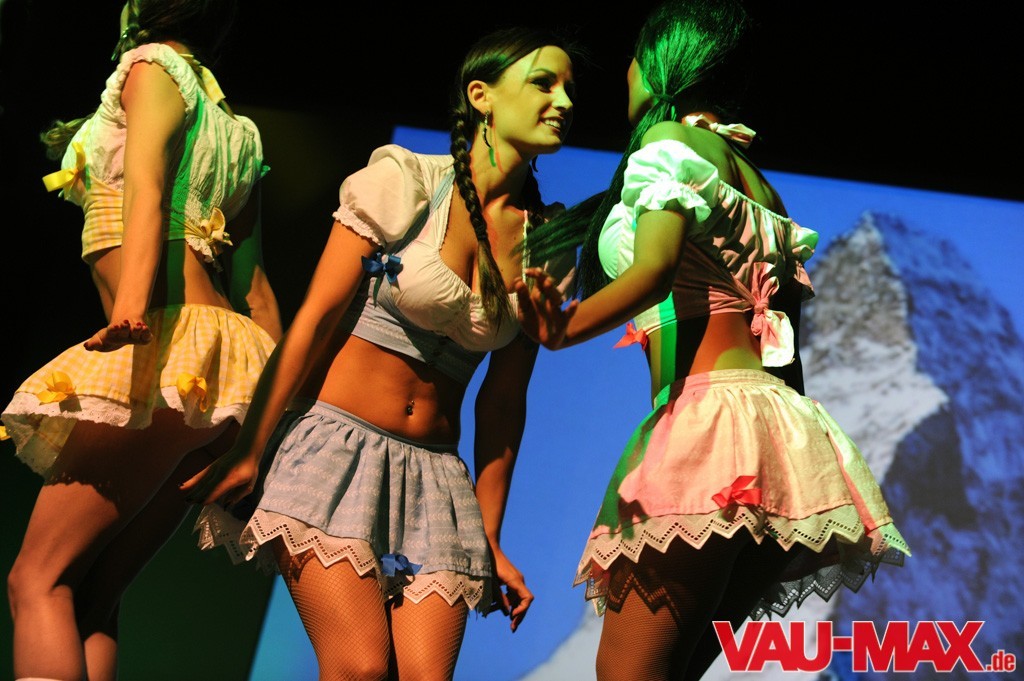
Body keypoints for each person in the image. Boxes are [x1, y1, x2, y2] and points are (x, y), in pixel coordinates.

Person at [514, 1, 910, 679]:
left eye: (634, 56)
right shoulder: (757, 182)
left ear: (662, 62)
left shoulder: (670, 144)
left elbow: (654, 269)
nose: (626, 72)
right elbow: (782, 340)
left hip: (708, 424)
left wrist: (563, 327)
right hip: (780, 435)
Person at [180, 26, 577, 681]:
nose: (562, 101)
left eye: (569, 89)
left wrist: (488, 536)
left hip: (437, 483)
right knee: (359, 667)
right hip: (335, 456)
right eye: (544, 83)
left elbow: (504, 401)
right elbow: (313, 321)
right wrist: (251, 449)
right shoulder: (406, 181)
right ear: (481, 96)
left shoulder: (550, 242)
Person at [1, 1, 281, 680]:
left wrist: (129, 313)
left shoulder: (151, 67)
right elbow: (257, 290)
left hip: (168, 352)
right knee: (91, 593)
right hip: (224, 372)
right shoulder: (240, 131)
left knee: (35, 579)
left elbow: (147, 188)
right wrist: (268, 424)